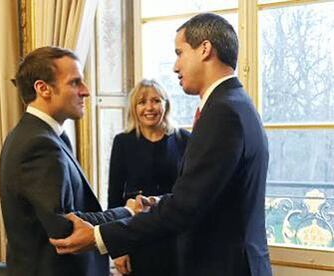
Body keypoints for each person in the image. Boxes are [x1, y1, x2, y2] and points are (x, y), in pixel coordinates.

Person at [50, 13, 272, 276]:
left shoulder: (222, 112)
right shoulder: (236, 103)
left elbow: (185, 208)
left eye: (179, 53)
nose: (176, 66)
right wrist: (159, 202)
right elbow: (205, 195)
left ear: (204, 49)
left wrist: (98, 235)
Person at [0, 46, 140, 276]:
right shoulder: (39, 144)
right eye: (75, 82)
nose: (85, 91)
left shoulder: (41, 135)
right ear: (43, 88)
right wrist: (127, 212)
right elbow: (64, 227)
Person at [108, 79, 190, 275]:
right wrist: (118, 248)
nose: (149, 107)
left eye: (155, 100)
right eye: (142, 102)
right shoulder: (122, 142)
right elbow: (114, 196)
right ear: (134, 108)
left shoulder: (184, 140)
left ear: (166, 104)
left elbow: (191, 192)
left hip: (176, 238)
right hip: (137, 237)